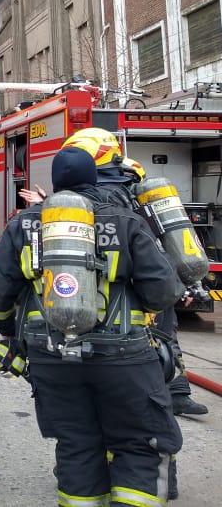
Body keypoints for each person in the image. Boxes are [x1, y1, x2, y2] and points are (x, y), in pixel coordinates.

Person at [0, 147, 184, 506]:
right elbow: (162, 289)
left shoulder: (25, 223)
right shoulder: (125, 220)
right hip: (125, 357)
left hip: (50, 356)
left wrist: (9, 333)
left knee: (76, 443)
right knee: (138, 443)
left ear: (55, 183)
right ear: (93, 178)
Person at [63, 132, 209, 417]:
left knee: (143, 336)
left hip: (121, 277)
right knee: (163, 333)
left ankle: (164, 393)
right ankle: (173, 392)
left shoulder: (93, 194)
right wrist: (180, 283)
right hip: (149, 274)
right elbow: (162, 239)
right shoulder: (130, 184)